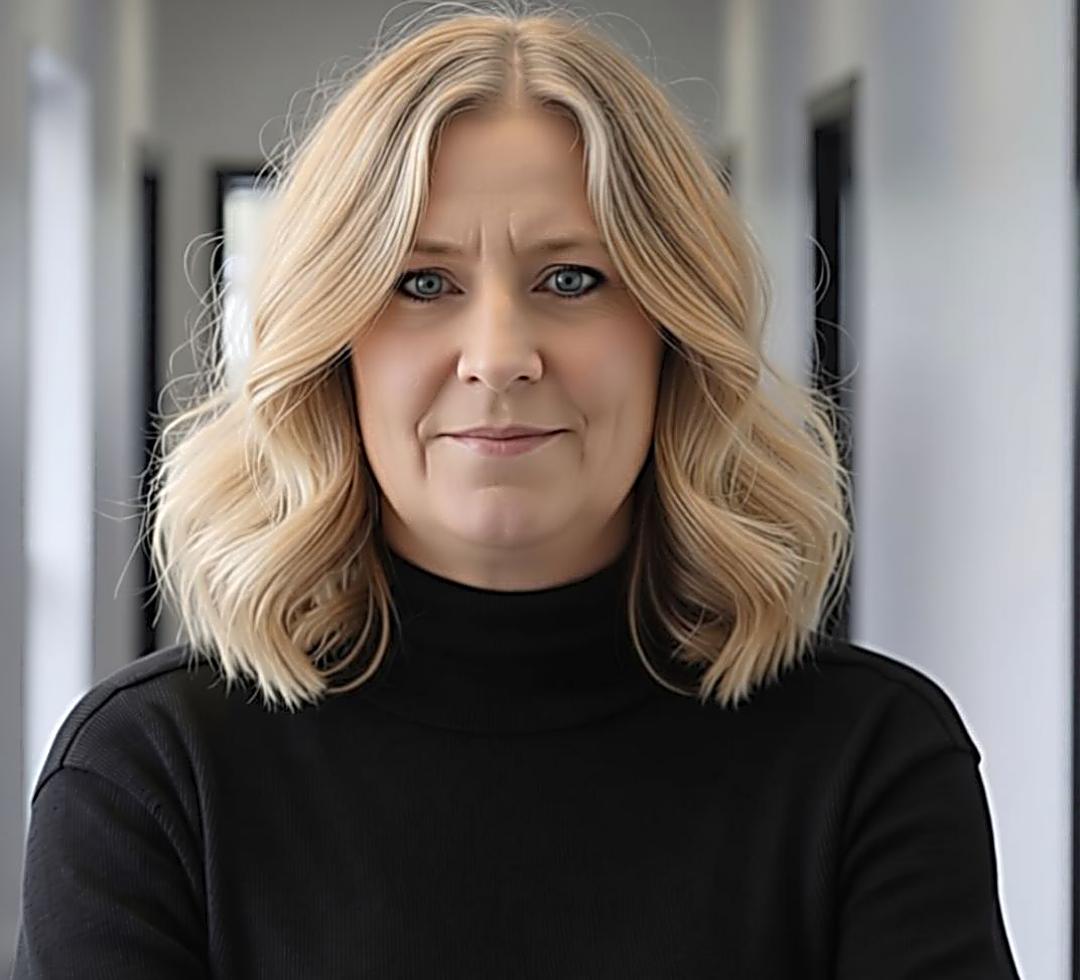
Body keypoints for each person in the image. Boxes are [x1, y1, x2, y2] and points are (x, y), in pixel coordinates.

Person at [11, 4, 1021, 977]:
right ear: (332, 349)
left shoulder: (870, 761)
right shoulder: (149, 774)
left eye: (572, 278)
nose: (498, 356)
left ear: (674, 334)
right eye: (422, 283)